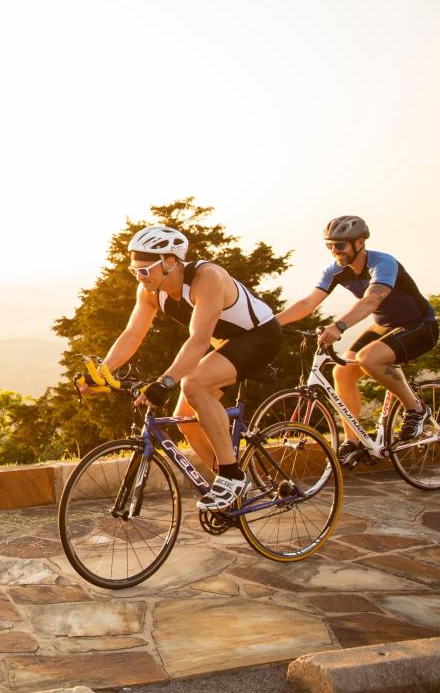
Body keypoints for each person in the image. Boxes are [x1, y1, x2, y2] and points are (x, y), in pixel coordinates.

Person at [90, 225, 281, 511]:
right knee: (186, 422)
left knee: (194, 385)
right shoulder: (151, 291)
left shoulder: (208, 278)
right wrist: (101, 373)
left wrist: (166, 382)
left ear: (170, 262)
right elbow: (133, 335)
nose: (140, 278)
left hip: (260, 337)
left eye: (145, 270)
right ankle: (231, 487)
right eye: (134, 271)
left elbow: (199, 339)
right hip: (225, 345)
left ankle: (232, 476)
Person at [275, 216, 436, 459]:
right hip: (386, 327)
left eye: (340, 245)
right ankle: (355, 442)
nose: (334, 251)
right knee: (342, 371)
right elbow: (309, 302)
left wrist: (340, 325)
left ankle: (416, 409)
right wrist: (268, 324)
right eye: (329, 245)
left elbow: (372, 299)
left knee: (368, 358)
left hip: (420, 326)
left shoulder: (383, 263)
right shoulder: (336, 271)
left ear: (359, 242)